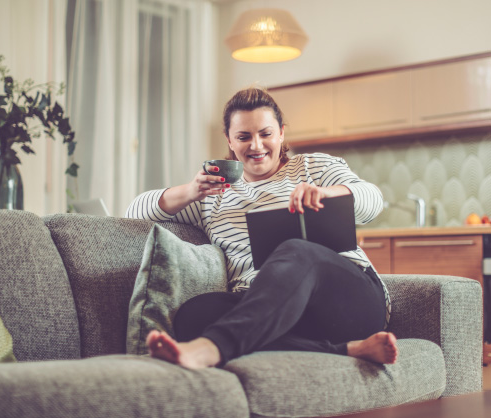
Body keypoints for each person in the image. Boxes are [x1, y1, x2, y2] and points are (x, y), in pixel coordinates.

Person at [125, 87, 397, 370]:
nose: (256, 146)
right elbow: (134, 215)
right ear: (230, 140)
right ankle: (345, 351)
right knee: (193, 314)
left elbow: (373, 200)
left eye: (265, 134)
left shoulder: (312, 167)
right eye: (244, 137)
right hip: (270, 314)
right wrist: (190, 190)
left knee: (295, 249)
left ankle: (212, 348)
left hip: (347, 302)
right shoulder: (212, 196)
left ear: (281, 133)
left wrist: (327, 194)